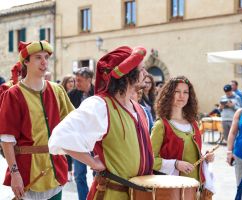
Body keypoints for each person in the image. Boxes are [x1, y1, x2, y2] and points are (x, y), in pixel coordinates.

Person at [48, 46, 153, 200]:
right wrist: (93, 162)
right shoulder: (100, 105)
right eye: (141, 69)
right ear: (128, 74)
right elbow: (60, 137)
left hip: (140, 194)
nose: (145, 73)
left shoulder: (140, 109)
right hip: (113, 194)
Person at [0, 40, 74, 200]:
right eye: (38, 58)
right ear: (26, 62)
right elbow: (6, 139)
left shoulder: (57, 90)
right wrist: (14, 174)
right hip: (27, 173)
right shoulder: (13, 95)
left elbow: (72, 124)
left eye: (46, 57)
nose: (44, 62)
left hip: (55, 171)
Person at [150, 76, 215, 196]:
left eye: (186, 92)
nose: (182, 96)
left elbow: (193, 155)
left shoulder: (194, 124)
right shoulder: (161, 125)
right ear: (168, 95)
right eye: (177, 92)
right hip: (172, 191)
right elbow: (150, 160)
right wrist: (175, 164)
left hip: (195, 189)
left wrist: (205, 158)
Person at [67, 67, 94, 200]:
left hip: (96, 140)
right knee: (79, 174)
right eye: (76, 80)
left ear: (89, 80)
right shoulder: (72, 95)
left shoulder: (99, 93)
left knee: (99, 174)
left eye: (79, 80)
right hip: (78, 140)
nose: (76, 83)